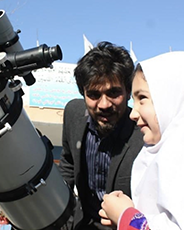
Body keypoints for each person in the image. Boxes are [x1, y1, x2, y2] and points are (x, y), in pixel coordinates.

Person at [99, 51, 184, 229]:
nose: (133, 113)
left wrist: (126, 217)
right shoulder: (169, 154)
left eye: (143, 98)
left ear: (176, 99)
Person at [59, 41, 144, 230]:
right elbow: (67, 162)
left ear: (128, 91)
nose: (104, 104)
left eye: (113, 93)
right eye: (94, 95)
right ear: (83, 94)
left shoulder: (143, 134)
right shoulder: (73, 113)